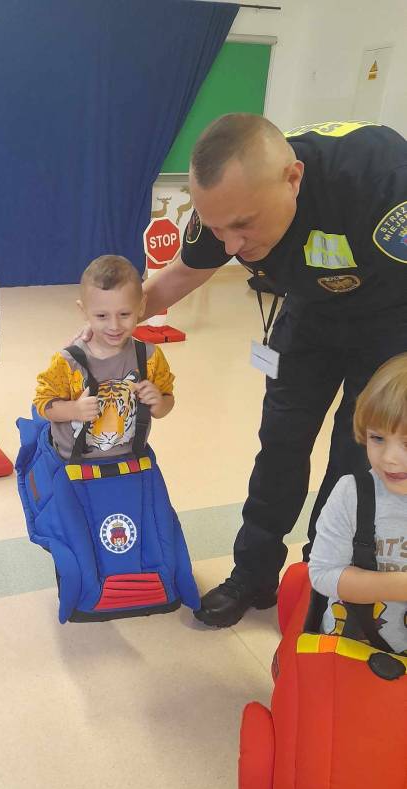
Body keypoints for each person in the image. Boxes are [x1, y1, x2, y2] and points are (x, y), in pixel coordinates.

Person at [139, 113, 407, 627]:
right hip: (309, 313)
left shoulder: (382, 183)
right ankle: (254, 575)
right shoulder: (225, 207)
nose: (231, 245)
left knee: (356, 457)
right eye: (218, 229)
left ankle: (319, 580)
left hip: (389, 322)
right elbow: (183, 274)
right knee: (280, 444)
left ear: (293, 178)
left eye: (243, 225)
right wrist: (110, 324)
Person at [308, 353, 407, 655]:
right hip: (354, 650)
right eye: (377, 438)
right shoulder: (352, 495)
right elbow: (323, 575)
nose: (389, 458)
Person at [34, 254, 174, 460]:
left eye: (124, 314)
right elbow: (43, 405)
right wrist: (74, 409)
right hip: (73, 464)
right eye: (101, 316)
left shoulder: (150, 357)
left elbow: (166, 402)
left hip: (130, 461)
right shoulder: (68, 361)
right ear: (84, 311)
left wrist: (159, 404)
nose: (114, 326)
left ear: (142, 306)